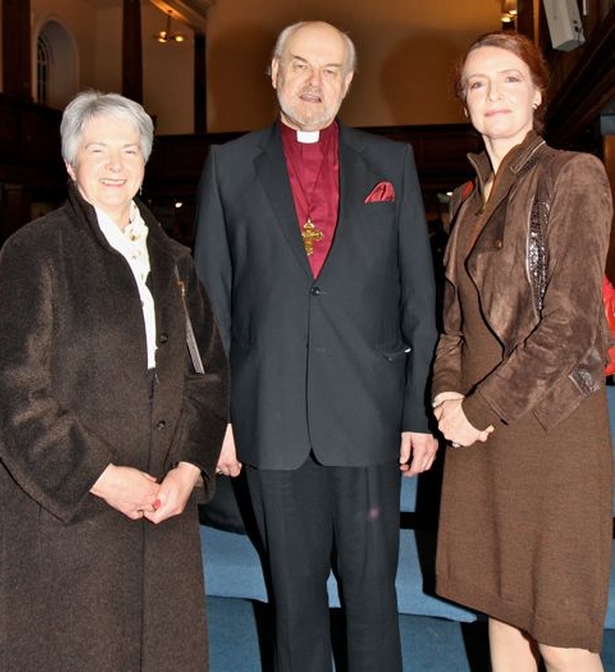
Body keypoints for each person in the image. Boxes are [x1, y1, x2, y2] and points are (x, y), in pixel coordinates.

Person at [193, 20, 438, 672]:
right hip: (266, 421)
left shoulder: (392, 166)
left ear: (349, 82)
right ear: (274, 71)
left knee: (371, 601)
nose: (313, 83)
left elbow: (420, 303)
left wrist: (417, 413)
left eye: (330, 71)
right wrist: (216, 419)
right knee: (293, 605)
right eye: (300, 65)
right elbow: (209, 308)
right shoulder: (226, 167)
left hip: (368, 420)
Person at [0, 91, 229, 671]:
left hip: (162, 508)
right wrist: (101, 476)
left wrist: (190, 469)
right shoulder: (34, 252)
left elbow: (208, 374)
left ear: (144, 162)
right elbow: (11, 390)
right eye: (97, 150)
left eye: (129, 149)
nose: (115, 164)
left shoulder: (175, 262)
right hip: (66, 515)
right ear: (71, 164)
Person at [432, 31, 613, 672]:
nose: (494, 93)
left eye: (510, 79)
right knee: (502, 611)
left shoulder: (572, 175)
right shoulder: (462, 202)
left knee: (561, 632)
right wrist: (447, 394)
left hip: (548, 428)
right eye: (477, 84)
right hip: (480, 431)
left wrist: (479, 409)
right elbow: (451, 326)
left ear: (538, 92)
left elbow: (571, 325)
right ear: (465, 104)